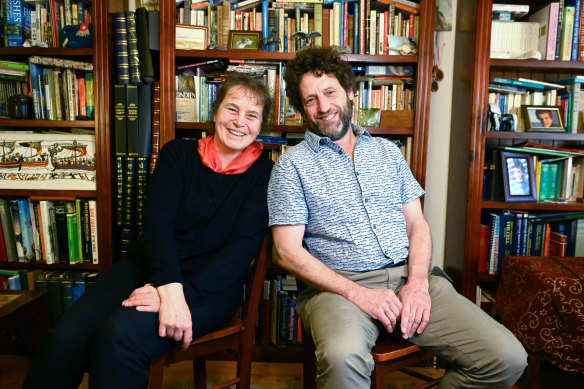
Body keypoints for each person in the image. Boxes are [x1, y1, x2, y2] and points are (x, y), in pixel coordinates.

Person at [267, 47, 527, 388]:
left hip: (411, 277)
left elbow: (417, 225)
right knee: (342, 358)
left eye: (330, 92)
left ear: (349, 92)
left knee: (506, 358)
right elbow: (286, 252)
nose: (324, 106)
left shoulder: (389, 152)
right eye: (311, 99)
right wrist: (358, 294)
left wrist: (418, 282)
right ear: (302, 108)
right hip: (338, 290)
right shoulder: (291, 166)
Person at [23, 72, 274, 388]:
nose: (239, 121)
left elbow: (239, 253)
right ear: (215, 112)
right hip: (144, 268)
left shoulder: (266, 174)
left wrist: (176, 296)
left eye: (252, 115)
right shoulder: (178, 154)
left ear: (261, 124)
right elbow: (157, 226)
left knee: (119, 335)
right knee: (66, 336)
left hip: (209, 288)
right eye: (232, 109)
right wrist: (168, 288)